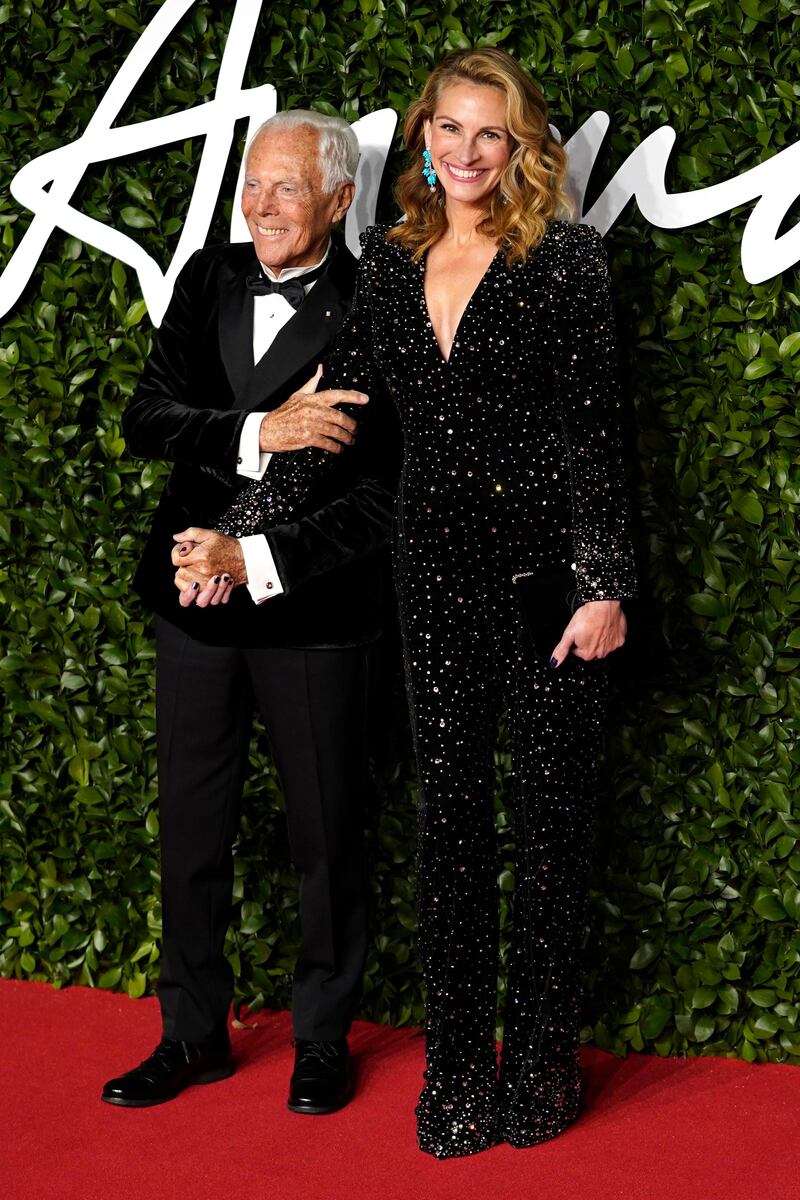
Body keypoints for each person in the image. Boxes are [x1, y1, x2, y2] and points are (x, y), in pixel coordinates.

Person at [207, 48, 638, 1157]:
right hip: (433, 577)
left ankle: (537, 1065)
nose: (463, 152)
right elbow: (338, 417)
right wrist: (243, 529)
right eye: (447, 128)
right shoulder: (391, 268)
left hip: (551, 583)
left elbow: (596, 435)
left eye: (487, 133)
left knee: (547, 831)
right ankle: (453, 1067)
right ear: (421, 139)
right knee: (448, 831)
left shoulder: (566, 263)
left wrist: (602, 584)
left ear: (520, 147)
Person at [101, 111, 398, 1114]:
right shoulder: (209, 276)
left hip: (308, 609)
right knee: (189, 828)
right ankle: (190, 1034)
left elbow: (371, 493)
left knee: (326, 834)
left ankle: (321, 1038)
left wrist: (256, 554)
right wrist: (253, 430)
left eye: (283, 187)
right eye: (251, 184)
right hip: (191, 595)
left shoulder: (379, 303)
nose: (259, 206)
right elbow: (149, 416)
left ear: (339, 199)